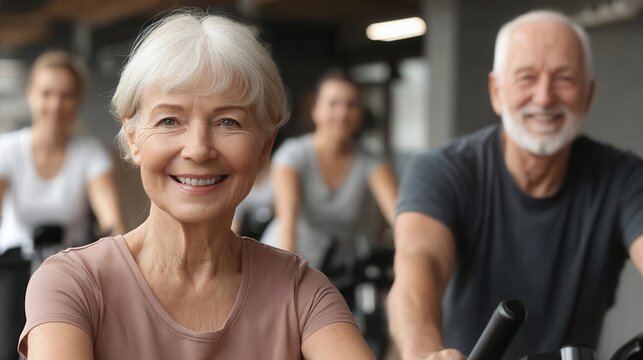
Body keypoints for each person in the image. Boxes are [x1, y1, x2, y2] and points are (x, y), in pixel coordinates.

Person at [18, 12, 375, 360]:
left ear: (265, 146)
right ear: (133, 138)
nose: (199, 149)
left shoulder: (302, 291)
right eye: (170, 120)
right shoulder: (72, 284)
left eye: (229, 122)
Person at [388, 9, 643, 360]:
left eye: (564, 78)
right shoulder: (443, 170)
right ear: (496, 90)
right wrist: (424, 352)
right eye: (526, 77)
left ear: (588, 93)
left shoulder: (625, 177)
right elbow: (420, 262)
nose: (544, 97)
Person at [0, 50, 125, 360]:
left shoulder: (89, 154)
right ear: (31, 96)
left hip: (67, 265)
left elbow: (112, 220)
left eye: (66, 96)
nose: (55, 105)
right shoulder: (8, 148)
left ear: (78, 100)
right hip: (13, 263)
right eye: (46, 94)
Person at [261, 71, 398, 294]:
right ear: (316, 109)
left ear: (360, 113)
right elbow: (289, 222)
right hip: (286, 262)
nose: (342, 113)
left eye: (351, 105)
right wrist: (287, 286)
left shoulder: (371, 162)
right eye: (333, 103)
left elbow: (400, 217)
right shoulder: (292, 156)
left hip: (338, 273)